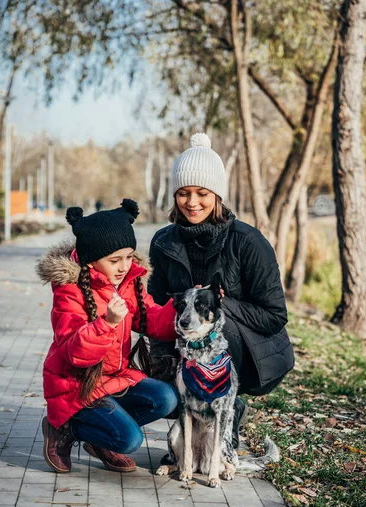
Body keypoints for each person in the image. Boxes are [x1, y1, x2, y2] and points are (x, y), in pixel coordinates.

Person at [148, 133, 294, 448]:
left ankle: (230, 403)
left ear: (217, 194)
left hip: (246, 351)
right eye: (183, 193)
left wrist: (221, 305)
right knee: (164, 392)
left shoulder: (248, 242)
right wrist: (159, 361)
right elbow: (155, 305)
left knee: (215, 319)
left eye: (202, 192)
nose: (191, 202)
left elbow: (275, 315)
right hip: (185, 346)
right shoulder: (163, 242)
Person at [37, 199, 179, 474]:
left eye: (128, 256)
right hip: (77, 388)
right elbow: (75, 353)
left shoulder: (126, 284)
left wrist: (185, 305)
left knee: (166, 398)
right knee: (129, 440)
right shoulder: (70, 292)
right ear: (92, 259)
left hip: (115, 380)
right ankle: (65, 428)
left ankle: (100, 434)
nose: (124, 266)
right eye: (114, 260)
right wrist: (108, 323)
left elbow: (155, 321)